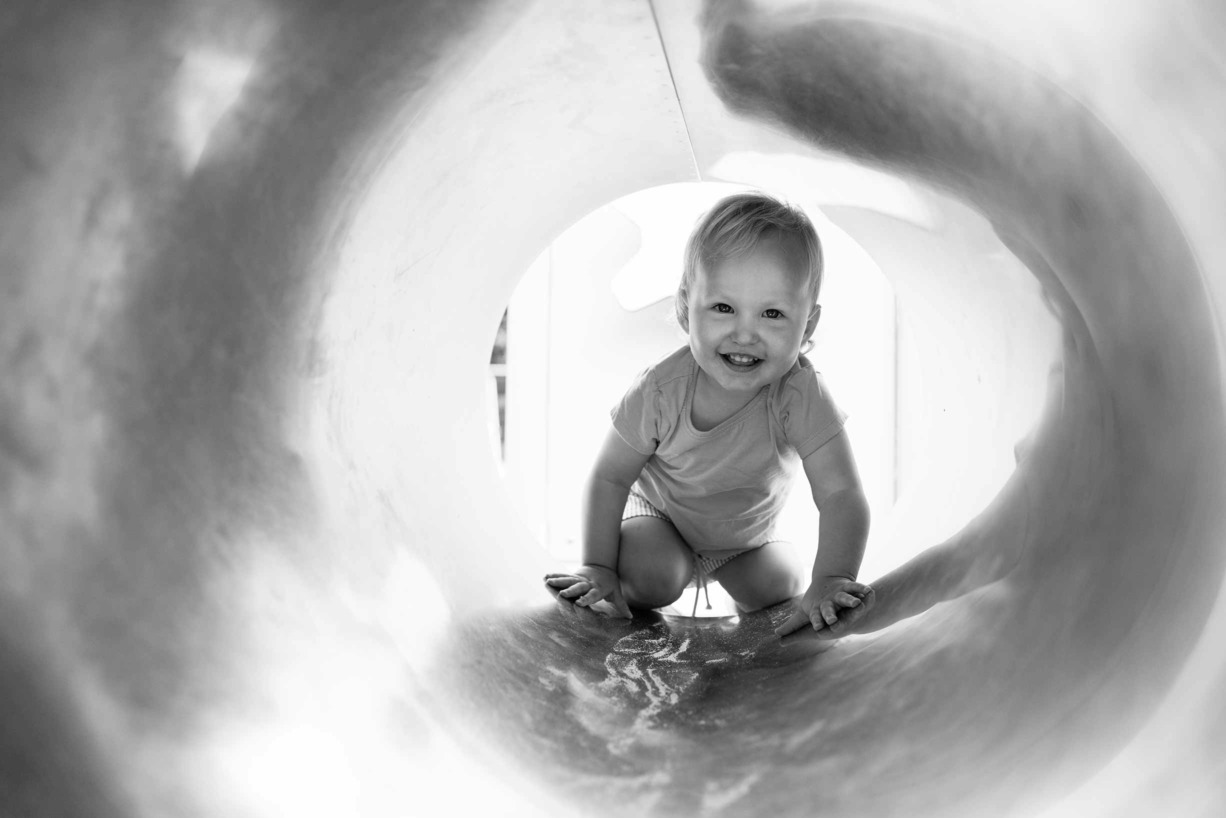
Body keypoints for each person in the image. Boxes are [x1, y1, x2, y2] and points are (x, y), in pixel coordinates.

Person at [544, 191, 874, 638]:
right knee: (654, 575)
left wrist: (832, 577)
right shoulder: (661, 390)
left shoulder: (801, 394)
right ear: (686, 307)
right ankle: (635, 577)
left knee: (780, 586)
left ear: (807, 326)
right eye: (723, 308)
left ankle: (745, 591)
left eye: (773, 314)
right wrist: (597, 566)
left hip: (744, 539)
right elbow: (609, 477)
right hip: (660, 520)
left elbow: (841, 494)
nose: (744, 333)